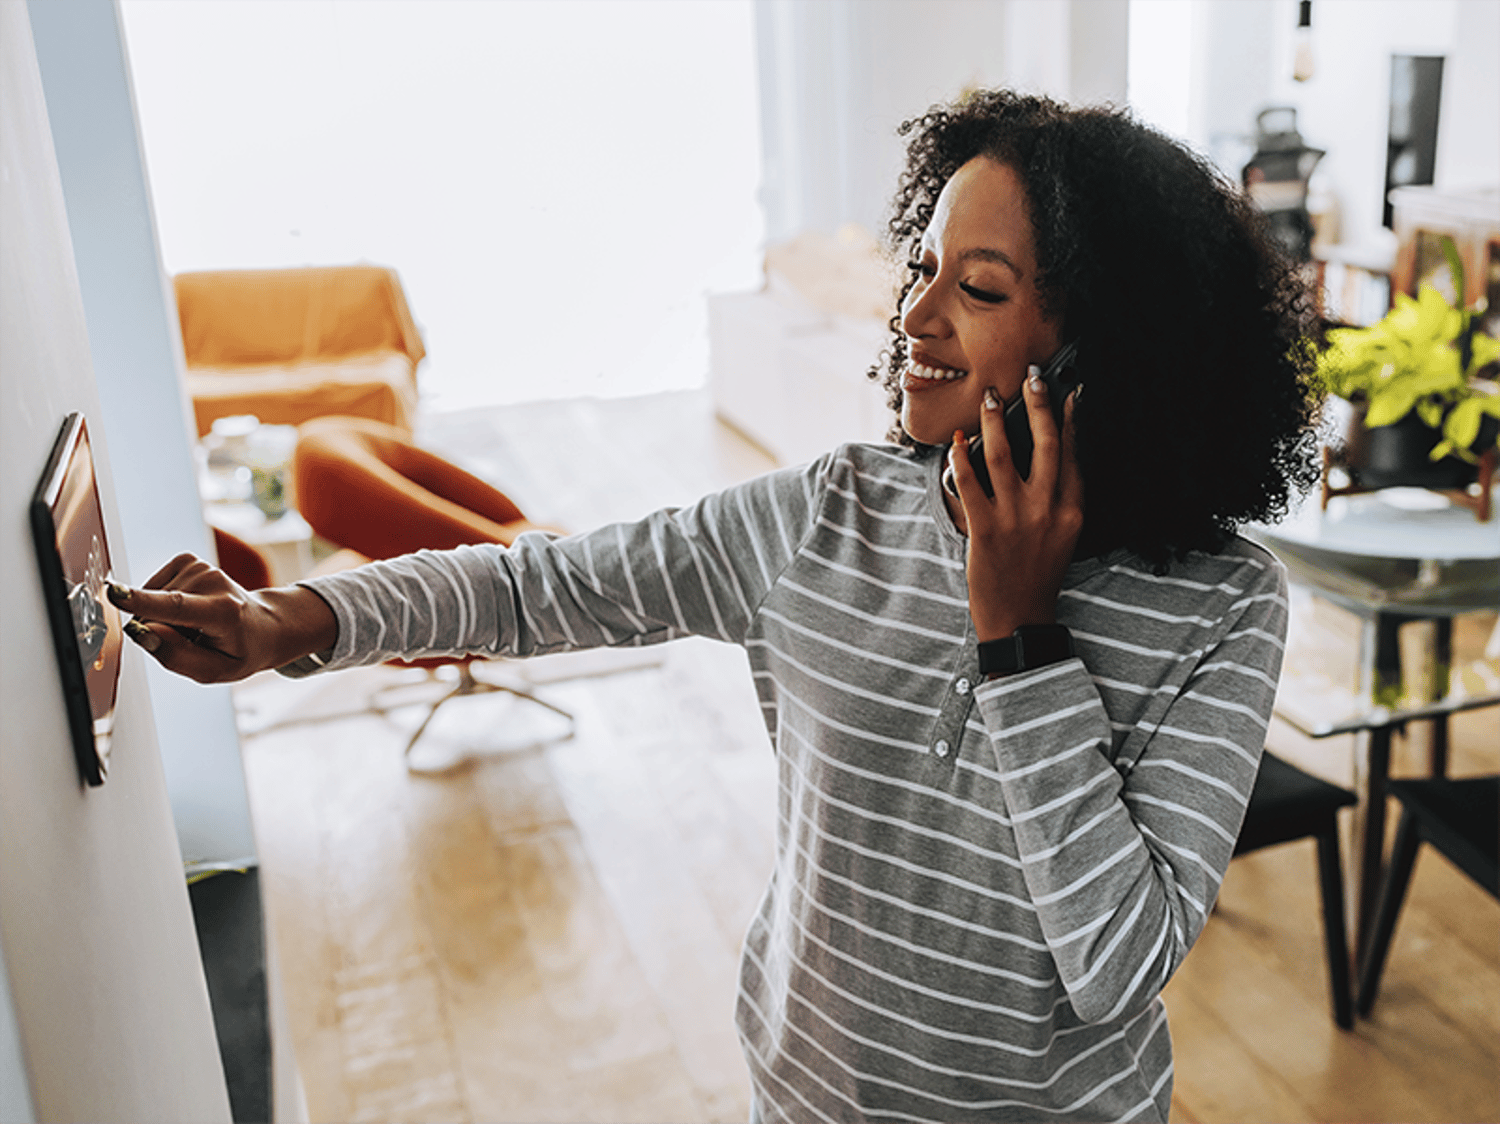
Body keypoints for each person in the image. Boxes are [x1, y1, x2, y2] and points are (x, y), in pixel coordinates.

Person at [111, 90, 1321, 1123]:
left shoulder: (1224, 606)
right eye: (922, 266)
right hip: (806, 1092)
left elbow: (1118, 964)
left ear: (1105, 345)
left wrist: (1019, 637)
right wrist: (295, 621)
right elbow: (547, 582)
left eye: (981, 288)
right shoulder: (825, 514)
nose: (913, 315)